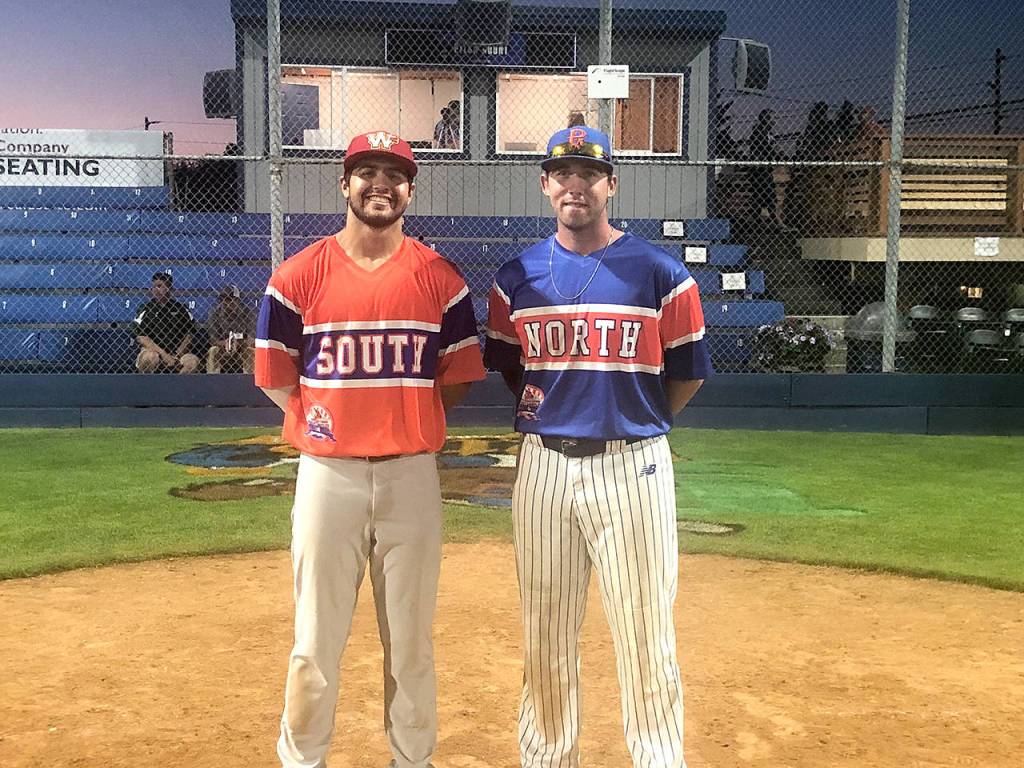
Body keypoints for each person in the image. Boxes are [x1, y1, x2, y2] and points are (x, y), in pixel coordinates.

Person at [255, 129, 486, 768]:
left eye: (394, 173)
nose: (380, 184)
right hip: (328, 473)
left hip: (411, 472)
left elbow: (457, 380)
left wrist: (404, 420)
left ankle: (411, 760)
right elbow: (277, 376)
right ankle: (303, 759)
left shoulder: (440, 278)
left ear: (410, 188)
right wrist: (328, 426)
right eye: (366, 172)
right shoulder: (297, 275)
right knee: (314, 642)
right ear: (345, 183)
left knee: (411, 643)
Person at [484, 125, 712, 768]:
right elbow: (512, 366)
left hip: (631, 467)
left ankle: (658, 759)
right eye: (562, 173)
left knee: (646, 634)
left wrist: (633, 419)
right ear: (545, 184)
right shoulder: (516, 278)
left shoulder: (661, 274)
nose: (575, 184)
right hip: (544, 468)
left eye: (589, 172)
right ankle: (548, 758)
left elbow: (686, 373)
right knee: (545, 633)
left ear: (612, 184)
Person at [132, 271, 200, 373]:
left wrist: (177, 355)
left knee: (192, 362)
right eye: (154, 286)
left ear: (169, 288)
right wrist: (164, 355)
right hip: (154, 351)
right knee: (150, 357)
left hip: (177, 354)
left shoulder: (181, 308)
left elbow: (190, 334)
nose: (155, 290)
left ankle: (180, 388)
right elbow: (141, 337)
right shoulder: (146, 308)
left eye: (159, 286)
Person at [205, 284, 256, 373]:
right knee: (213, 351)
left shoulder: (248, 313)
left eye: (230, 299)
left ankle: (249, 379)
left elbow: (252, 339)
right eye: (223, 299)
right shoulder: (214, 313)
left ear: (237, 300)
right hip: (223, 347)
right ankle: (212, 379)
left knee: (251, 351)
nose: (226, 303)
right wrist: (226, 343)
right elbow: (213, 340)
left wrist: (238, 343)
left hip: (242, 347)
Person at [746, 108, 780, 224]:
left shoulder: (767, 133)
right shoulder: (759, 132)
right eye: (773, 117)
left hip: (765, 168)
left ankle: (756, 221)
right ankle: (775, 221)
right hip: (760, 169)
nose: (775, 120)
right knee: (767, 194)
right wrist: (772, 153)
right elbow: (763, 149)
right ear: (766, 119)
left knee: (761, 194)